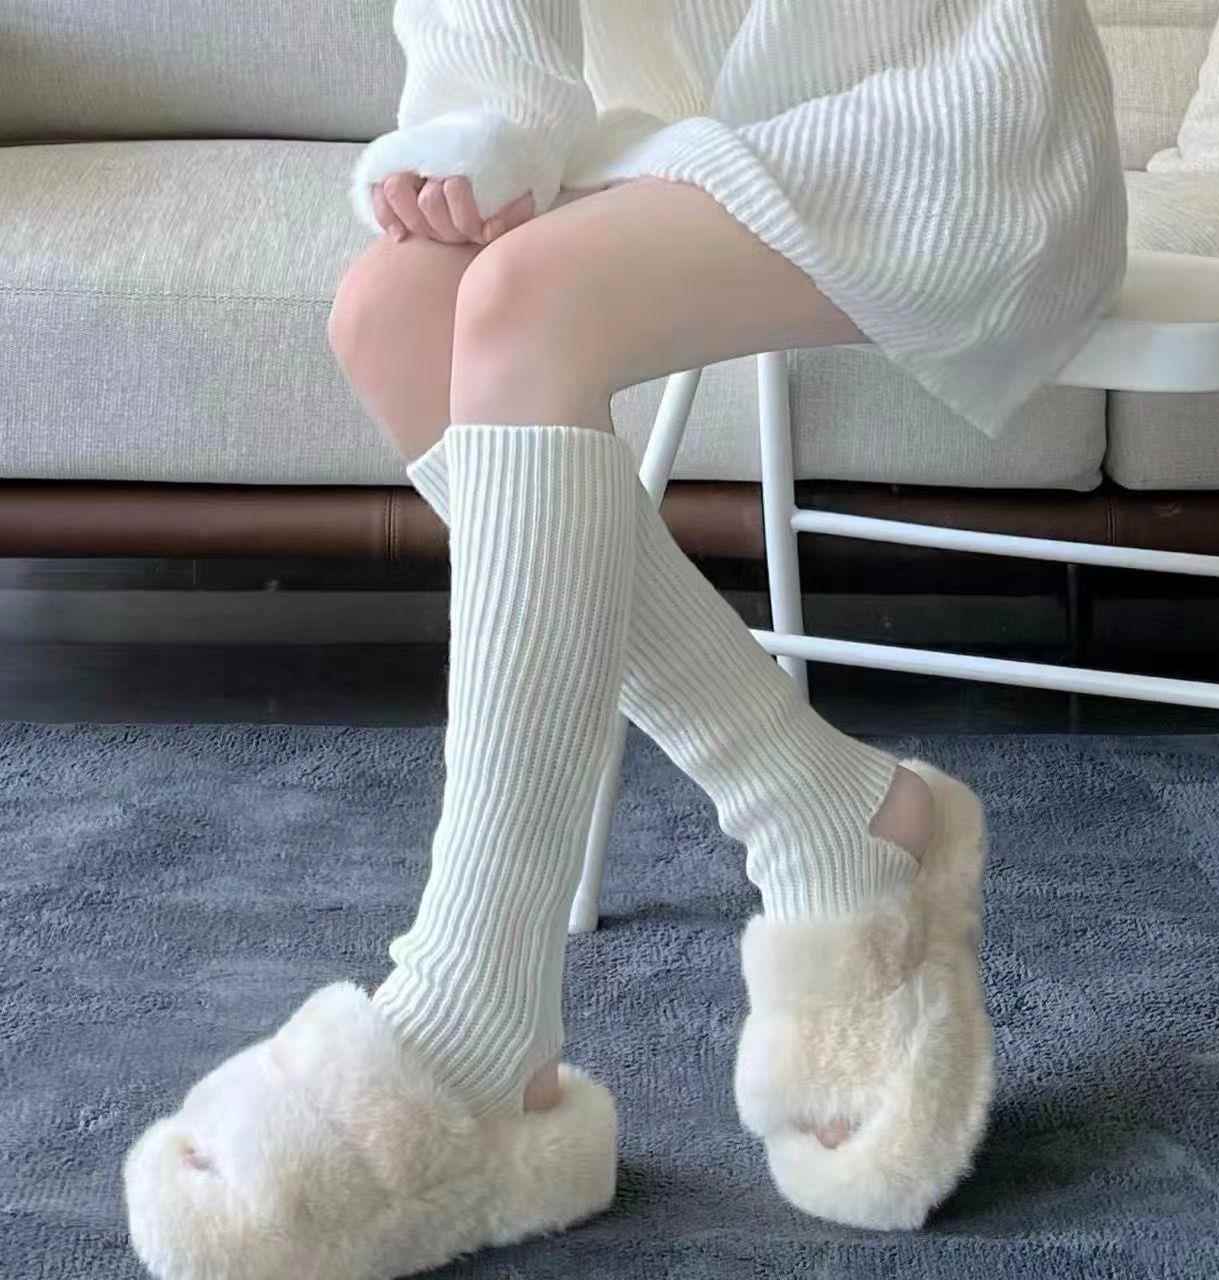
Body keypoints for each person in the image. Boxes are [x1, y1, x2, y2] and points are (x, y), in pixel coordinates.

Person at [121, 2, 1128, 1276]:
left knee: (527, 298)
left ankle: (474, 1014)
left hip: (951, 116)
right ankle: (823, 808)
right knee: (392, 308)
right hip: (713, 134)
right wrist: (489, 125)